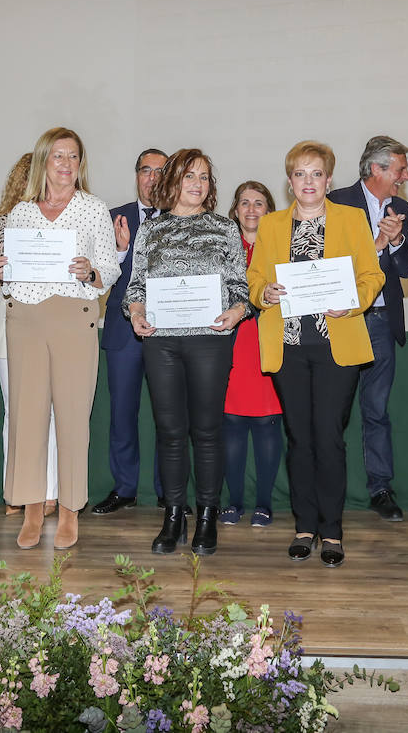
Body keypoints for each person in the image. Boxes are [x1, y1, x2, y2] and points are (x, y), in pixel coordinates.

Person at [247, 141, 384, 568]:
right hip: (287, 347)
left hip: (335, 345)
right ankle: (304, 527)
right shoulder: (271, 225)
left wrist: (354, 301)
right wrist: (263, 292)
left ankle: (333, 530)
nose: (309, 181)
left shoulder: (351, 219)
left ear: (328, 179)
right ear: (290, 183)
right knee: (299, 438)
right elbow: (254, 277)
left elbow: (371, 274)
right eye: (300, 174)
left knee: (328, 437)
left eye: (316, 173)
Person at [0, 127, 119, 550]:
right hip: (24, 317)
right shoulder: (21, 212)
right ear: (43, 161)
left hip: (72, 316)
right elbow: (9, 269)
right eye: (58, 156)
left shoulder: (93, 209)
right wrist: (1, 271)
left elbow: (109, 269)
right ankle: (31, 508)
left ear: (80, 164)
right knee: (27, 417)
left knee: (71, 417)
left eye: (73, 156)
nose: (66, 164)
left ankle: (69, 510)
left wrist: (92, 272)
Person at [125, 149, 251, 556]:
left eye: (204, 177)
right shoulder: (151, 229)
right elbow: (136, 285)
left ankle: (207, 515)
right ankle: (174, 516)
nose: (197, 184)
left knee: (208, 432)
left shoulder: (224, 228)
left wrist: (236, 311)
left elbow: (240, 288)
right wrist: (137, 312)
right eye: (189, 176)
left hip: (210, 340)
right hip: (161, 340)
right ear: (172, 181)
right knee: (170, 433)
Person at [328, 136, 408, 522]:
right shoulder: (337, 203)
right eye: (399, 169)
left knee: (376, 410)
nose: (405, 176)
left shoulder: (402, 208)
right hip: (342, 322)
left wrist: (395, 243)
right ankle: (329, 490)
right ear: (377, 169)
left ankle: (380, 488)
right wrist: (376, 243)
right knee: (334, 411)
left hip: (381, 322)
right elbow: (327, 265)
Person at [91, 147, 168, 515]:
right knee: (122, 414)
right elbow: (99, 278)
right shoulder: (112, 218)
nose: (152, 178)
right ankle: (124, 488)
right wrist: (121, 251)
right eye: (145, 170)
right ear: (136, 175)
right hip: (124, 332)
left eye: (160, 171)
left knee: (169, 417)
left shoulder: (182, 218)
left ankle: (169, 492)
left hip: (170, 332)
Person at [0, 154, 59, 517]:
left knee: (51, 411)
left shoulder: (71, 220)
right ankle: (15, 490)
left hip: (57, 322)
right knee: (15, 411)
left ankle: (49, 492)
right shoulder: (5, 223)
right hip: (12, 320)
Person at [219, 181, 284, 529]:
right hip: (231, 340)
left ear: (269, 210)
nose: (251, 209)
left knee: (266, 422)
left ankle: (263, 503)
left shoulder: (282, 244)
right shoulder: (223, 246)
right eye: (244, 202)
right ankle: (233, 502)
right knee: (231, 422)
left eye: (259, 203)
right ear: (236, 210)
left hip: (270, 337)